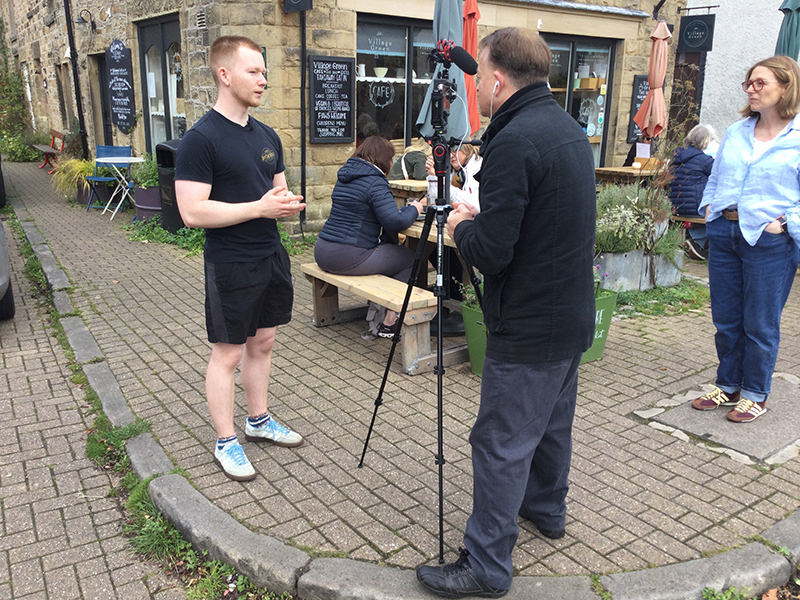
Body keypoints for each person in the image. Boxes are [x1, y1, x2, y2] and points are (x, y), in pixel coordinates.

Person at [415, 27, 596, 598]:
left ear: (496, 78)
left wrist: (462, 224)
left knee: (499, 442)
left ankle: (488, 566)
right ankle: (546, 509)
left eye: (479, 80)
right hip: (569, 315)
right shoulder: (567, 128)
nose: (476, 93)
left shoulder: (513, 140)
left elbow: (494, 252)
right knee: (550, 427)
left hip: (529, 322)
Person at [174, 36, 306, 482]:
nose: (263, 79)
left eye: (264, 72)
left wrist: (286, 204)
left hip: (271, 255)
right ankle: (226, 441)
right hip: (230, 262)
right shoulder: (200, 139)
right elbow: (192, 212)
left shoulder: (268, 136)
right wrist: (259, 208)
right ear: (224, 75)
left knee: (264, 342)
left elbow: (277, 192)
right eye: (254, 71)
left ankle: (259, 420)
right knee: (226, 354)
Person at [691, 55, 800, 423]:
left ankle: (755, 392)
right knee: (726, 319)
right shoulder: (738, 131)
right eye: (748, 83)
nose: (751, 90)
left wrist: (784, 223)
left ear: (785, 87)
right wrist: (709, 207)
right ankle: (728, 384)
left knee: (760, 322)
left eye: (760, 83)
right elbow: (716, 175)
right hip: (725, 231)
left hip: (769, 241)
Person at [314, 136, 426, 338]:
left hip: (322, 251)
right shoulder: (375, 182)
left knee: (391, 254)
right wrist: (417, 207)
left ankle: (383, 306)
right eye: (391, 158)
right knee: (410, 258)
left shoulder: (346, 176)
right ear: (384, 160)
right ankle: (390, 321)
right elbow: (396, 222)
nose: (392, 163)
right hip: (348, 256)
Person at [668, 123, 715, 260]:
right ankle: (698, 242)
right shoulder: (705, 161)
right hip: (695, 208)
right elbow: (720, 177)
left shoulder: (676, 156)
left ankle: (693, 240)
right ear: (705, 142)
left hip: (674, 205)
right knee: (717, 212)